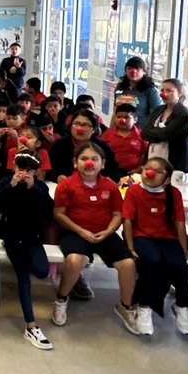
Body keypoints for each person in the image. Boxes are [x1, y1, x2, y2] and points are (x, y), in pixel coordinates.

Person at [52, 142, 140, 334]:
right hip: (76, 232)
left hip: (105, 233)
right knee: (75, 260)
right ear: (75, 163)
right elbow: (59, 214)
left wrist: (109, 231)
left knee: (128, 264)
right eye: (84, 158)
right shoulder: (66, 184)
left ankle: (125, 306)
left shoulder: (110, 185)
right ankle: (61, 299)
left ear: (103, 163)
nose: (89, 163)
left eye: (94, 159)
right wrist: (81, 231)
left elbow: (118, 214)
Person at [122, 157, 188, 336]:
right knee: (152, 262)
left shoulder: (173, 194)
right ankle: (144, 306)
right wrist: (130, 247)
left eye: (156, 171)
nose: (149, 173)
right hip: (142, 237)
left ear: (167, 178)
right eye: (146, 169)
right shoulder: (134, 191)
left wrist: (182, 250)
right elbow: (128, 221)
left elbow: (179, 223)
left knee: (181, 268)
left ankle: (182, 306)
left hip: (166, 238)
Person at [0, 151, 55, 349]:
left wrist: (33, 189)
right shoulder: (5, 184)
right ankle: (31, 325)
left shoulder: (40, 187)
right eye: (21, 169)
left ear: (36, 172)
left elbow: (48, 213)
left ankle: (25, 261)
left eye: (29, 170)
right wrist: (11, 186)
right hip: (11, 238)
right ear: (14, 168)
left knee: (42, 271)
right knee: (22, 277)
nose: (23, 173)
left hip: (33, 238)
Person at [141, 78, 188, 171]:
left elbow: (165, 134)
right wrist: (159, 134)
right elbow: (144, 133)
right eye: (162, 90)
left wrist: (153, 133)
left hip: (173, 161)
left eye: (169, 91)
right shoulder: (158, 110)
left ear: (179, 93)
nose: (164, 94)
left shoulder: (184, 113)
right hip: (153, 155)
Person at [114, 57, 161, 121]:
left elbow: (156, 117)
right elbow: (115, 113)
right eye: (129, 68)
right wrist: (111, 129)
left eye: (137, 69)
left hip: (141, 129)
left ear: (144, 71)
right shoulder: (120, 87)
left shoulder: (151, 91)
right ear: (125, 71)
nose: (133, 72)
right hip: (121, 129)